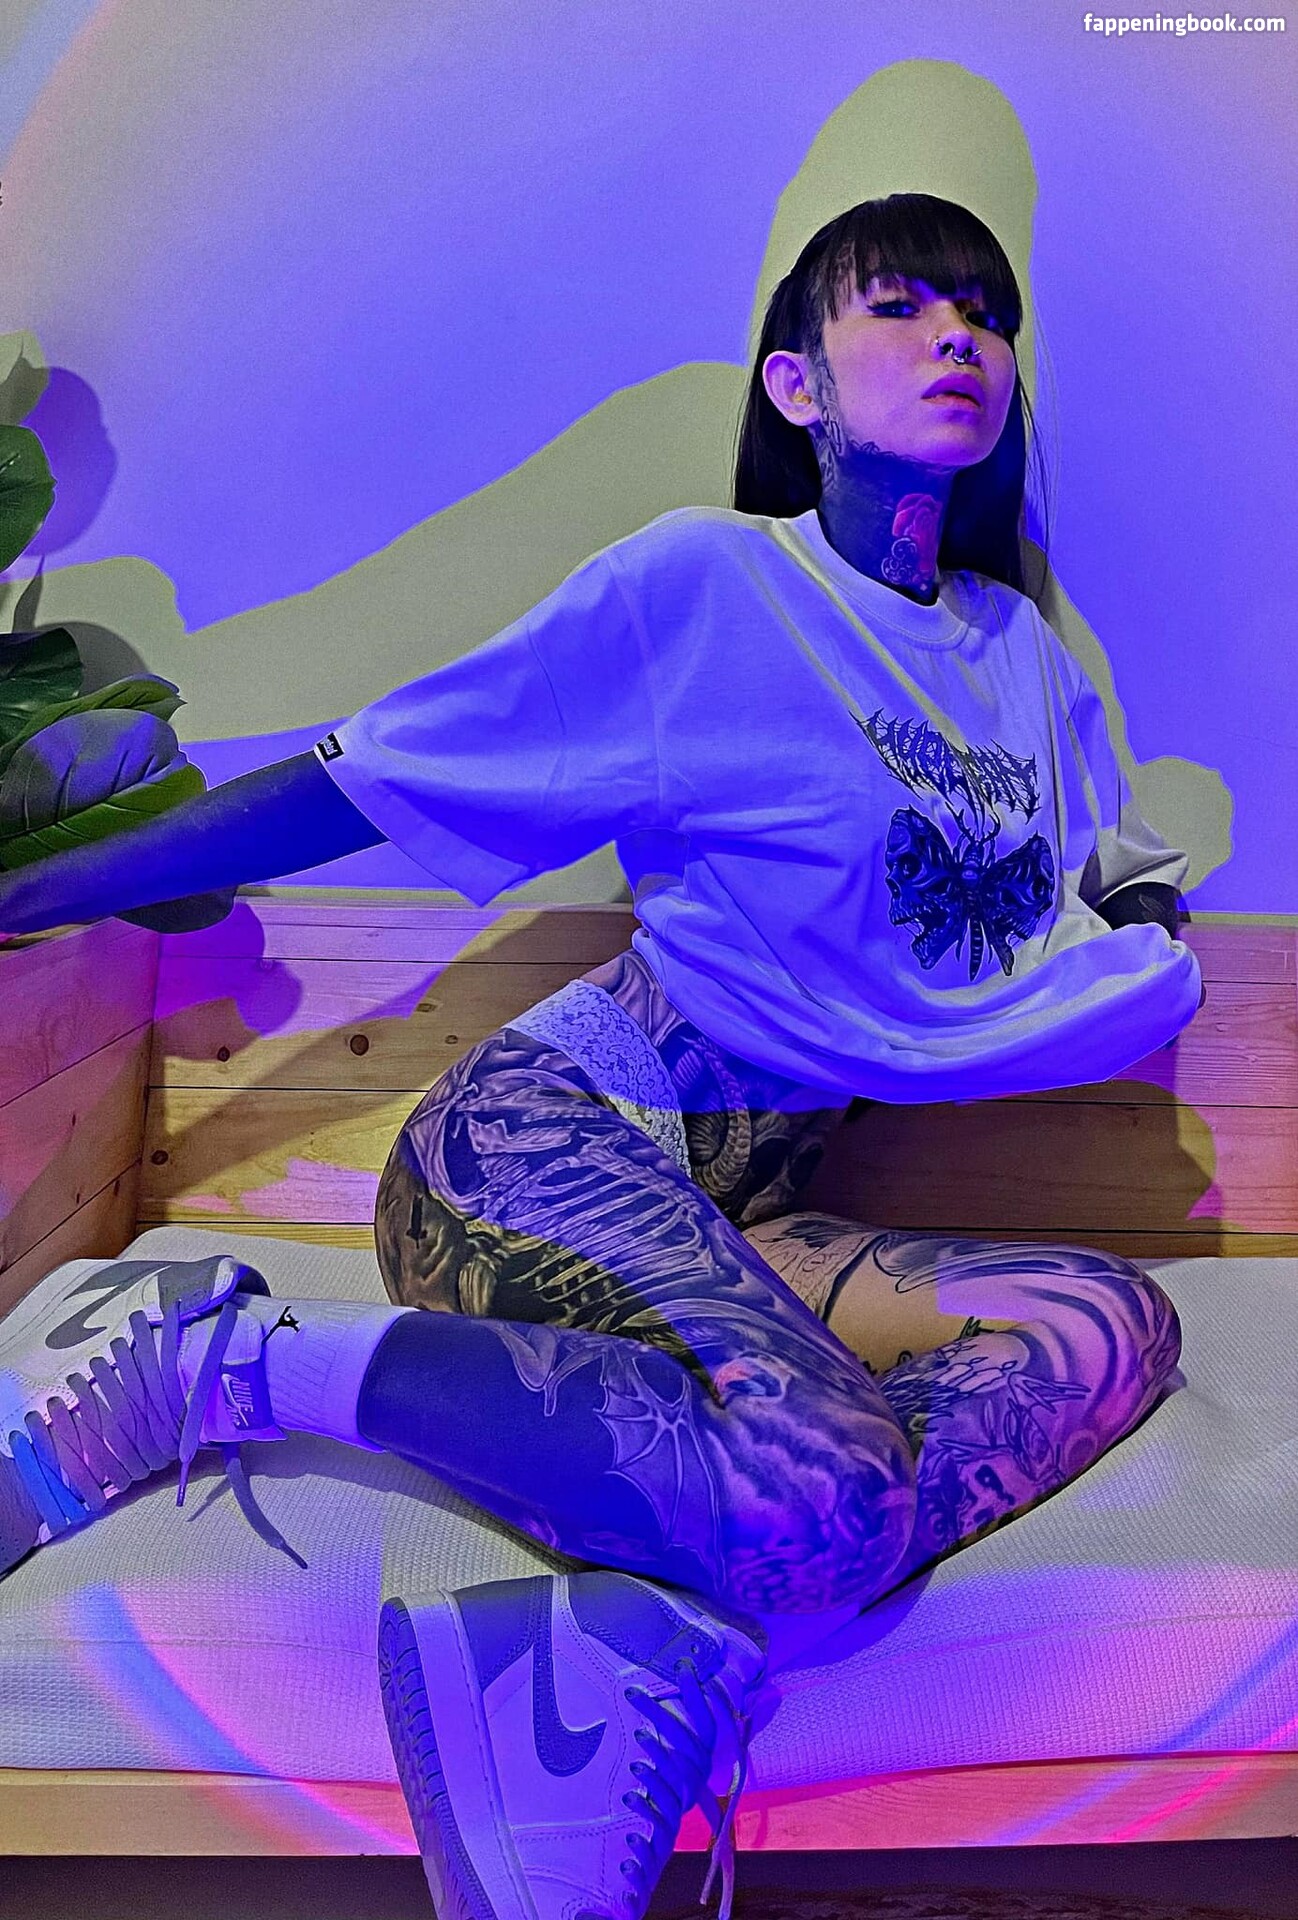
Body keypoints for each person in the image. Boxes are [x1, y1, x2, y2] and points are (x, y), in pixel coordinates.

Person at [0, 194, 1201, 1920]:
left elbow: (1102, 881)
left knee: (1110, 1326)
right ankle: (224, 1361)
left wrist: (1149, 924)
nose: (959, 335)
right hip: (551, 1140)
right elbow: (367, 780)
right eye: (900, 304)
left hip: (751, 1212)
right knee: (830, 1483)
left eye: (986, 314)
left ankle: (674, 1601)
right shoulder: (709, 587)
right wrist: (36, 884)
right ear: (794, 383)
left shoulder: (1016, 658)